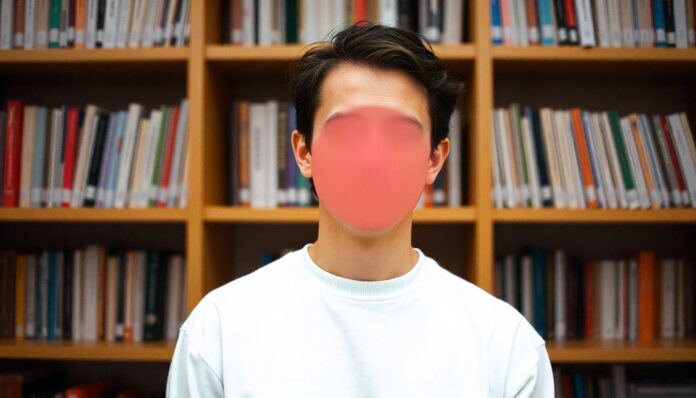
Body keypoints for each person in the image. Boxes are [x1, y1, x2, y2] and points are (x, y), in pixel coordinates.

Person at [166, 22, 554, 397]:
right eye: (347, 131)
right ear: (304, 152)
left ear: (434, 159)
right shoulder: (218, 332)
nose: (371, 159)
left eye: (401, 134)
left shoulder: (506, 346)